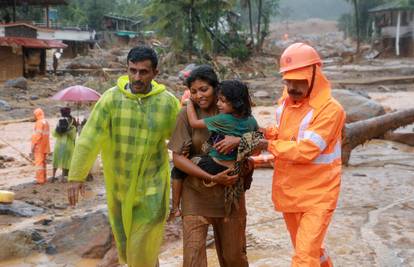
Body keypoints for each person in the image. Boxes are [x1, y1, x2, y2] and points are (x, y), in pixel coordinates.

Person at [67, 46, 180, 267]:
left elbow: (182, 141)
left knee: (140, 246)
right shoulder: (110, 100)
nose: (137, 77)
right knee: (131, 248)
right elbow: (89, 137)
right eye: (133, 70)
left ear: (155, 73)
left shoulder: (167, 103)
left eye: (144, 72)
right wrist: (76, 176)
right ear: (126, 69)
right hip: (119, 187)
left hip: (152, 187)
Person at [256, 43, 346, 267]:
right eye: (288, 81)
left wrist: (267, 144)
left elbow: (306, 150)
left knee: (304, 258)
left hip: (318, 196)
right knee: (309, 251)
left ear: (315, 75)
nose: (292, 87)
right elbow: (284, 133)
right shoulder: (285, 103)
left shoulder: (331, 110)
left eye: (299, 81)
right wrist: (264, 132)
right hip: (290, 193)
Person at [168, 65, 249, 267]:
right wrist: (211, 177)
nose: (199, 96)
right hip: (195, 193)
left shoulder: (236, 112)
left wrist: (238, 141)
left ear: (216, 88)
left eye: (204, 89)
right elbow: (178, 158)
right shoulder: (186, 114)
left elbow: (259, 143)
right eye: (194, 91)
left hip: (230, 194)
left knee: (234, 258)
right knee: (193, 259)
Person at [173, 80, 258, 216]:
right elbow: (257, 138)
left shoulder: (223, 119)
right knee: (248, 162)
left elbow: (194, 123)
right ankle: (246, 184)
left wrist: (189, 103)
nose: (218, 104)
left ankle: (175, 207)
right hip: (236, 166)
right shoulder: (251, 121)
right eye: (218, 100)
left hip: (215, 164)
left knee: (179, 168)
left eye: (223, 101)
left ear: (236, 103)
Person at [51, 107, 77, 183]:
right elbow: (73, 137)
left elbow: (54, 134)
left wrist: (59, 130)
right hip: (68, 146)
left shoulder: (60, 122)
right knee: (66, 162)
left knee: (56, 160)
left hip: (59, 145)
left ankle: (53, 176)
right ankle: (62, 177)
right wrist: (73, 128)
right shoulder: (72, 123)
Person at [31, 108, 51, 185]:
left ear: (37, 114)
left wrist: (33, 146)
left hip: (39, 147)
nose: (34, 116)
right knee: (43, 163)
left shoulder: (39, 123)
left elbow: (37, 136)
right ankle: (44, 178)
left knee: (39, 164)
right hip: (45, 146)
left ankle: (40, 180)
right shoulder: (46, 122)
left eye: (34, 115)